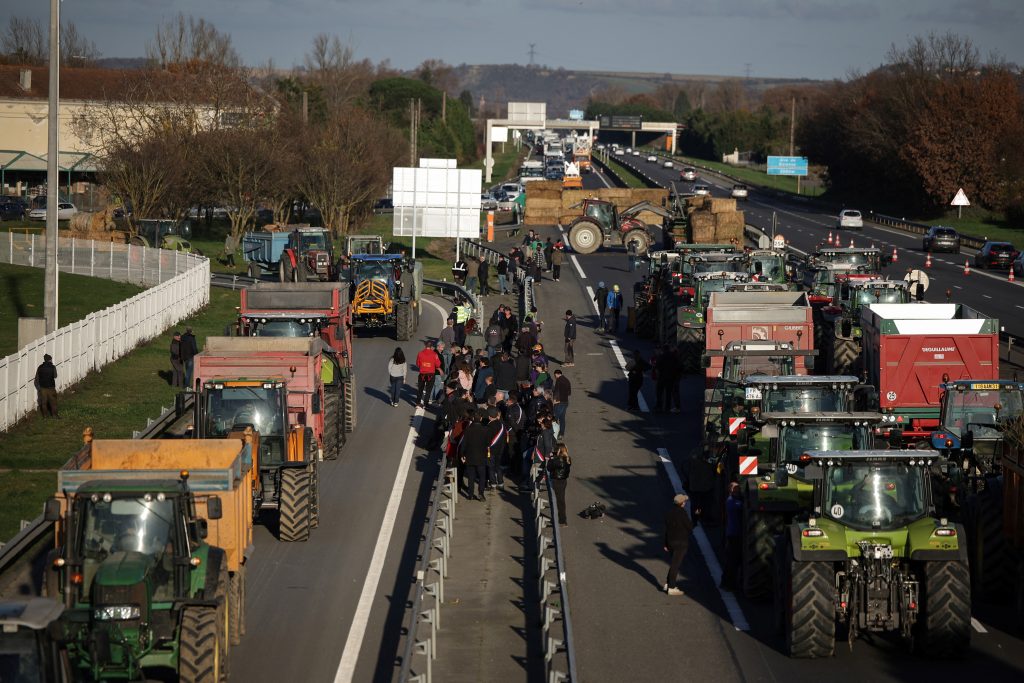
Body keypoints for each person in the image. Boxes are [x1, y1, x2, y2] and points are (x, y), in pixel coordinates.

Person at [663, 493, 694, 595]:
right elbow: (689, 527)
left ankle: (668, 584)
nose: (685, 503)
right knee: (676, 565)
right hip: (681, 543)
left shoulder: (670, 513)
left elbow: (667, 530)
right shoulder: (682, 513)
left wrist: (665, 543)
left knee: (673, 563)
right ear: (681, 503)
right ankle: (671, 587)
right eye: (684, 501)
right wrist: (696, 518)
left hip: (671, 542)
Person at [459, 413, 490, 501]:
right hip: (481, 457)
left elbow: (463, 444)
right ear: (480, 419)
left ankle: (470, 494)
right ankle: (481, 493)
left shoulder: (468, 430)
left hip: (470, 456)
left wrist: (462, 455)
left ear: (473, 419)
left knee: (471, 476)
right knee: (482, 476)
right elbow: (488, 443)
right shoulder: (485, 430)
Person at [721, 482, 743, 591]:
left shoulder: (732, 500)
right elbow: (741, 506)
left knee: (731, 559)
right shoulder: (731, 502)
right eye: (736, 488)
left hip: (733, 533)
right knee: (732, 560)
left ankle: (725, 582)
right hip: (734, 534)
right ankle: (728, 584)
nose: (738, 489)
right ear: (731, 490)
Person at [546, 443, 572, 526]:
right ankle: (562, 519)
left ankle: (562, 520)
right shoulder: (567, 458)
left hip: (556, 481)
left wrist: (551, 458)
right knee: (560, 501)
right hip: (563, 481)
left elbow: (549, 467)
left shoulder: (558, 460)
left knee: (558, 501)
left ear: (558, 451)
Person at [415, 341, 441, 407]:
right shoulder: (434, 354)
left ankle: (417, 403)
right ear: (431, 346)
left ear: (425, 345)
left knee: (420, 389)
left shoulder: (420, 353)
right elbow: (438, 364)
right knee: (428, 390)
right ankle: (425, 404)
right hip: (431, 374)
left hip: (422, 374)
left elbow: (417, 364)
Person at [34, 353, 58, 418]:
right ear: (50, 360)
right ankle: (54, 415)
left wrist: (39, 388)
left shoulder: (40, 367)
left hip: (43, 388)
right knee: (53, 402)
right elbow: (55, 376)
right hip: (51, 387)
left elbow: (37, 378)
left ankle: (45, 416)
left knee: (44, 403)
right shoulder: (53, 367)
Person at [552, 369, 571, 437]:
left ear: (557, 374)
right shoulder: (567, 380)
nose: (555, 377)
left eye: (555, 375)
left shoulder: (559, 381)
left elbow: (558, 392)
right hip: (565, 402)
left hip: (560, 403)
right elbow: (569, 393)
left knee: (555, 418)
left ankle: (554, 433)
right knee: (562, 419)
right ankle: (561, 433)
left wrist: (556, 401)